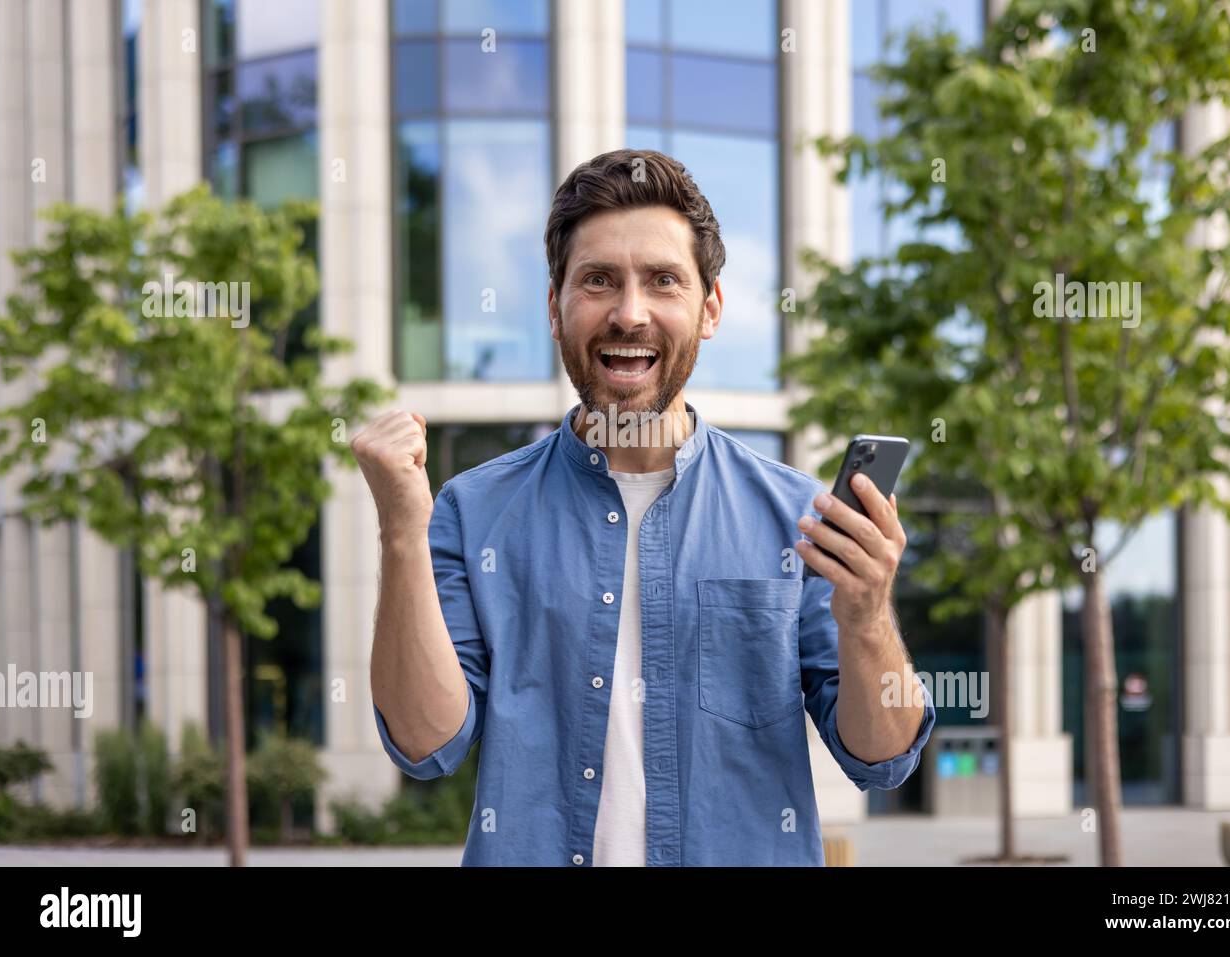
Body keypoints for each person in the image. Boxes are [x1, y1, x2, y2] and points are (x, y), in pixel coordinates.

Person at [353, 148, 936, 866]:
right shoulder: (473, 511)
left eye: (663, 280)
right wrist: (401, 531)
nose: (629, 313)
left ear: (710, 307)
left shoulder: (800, 517)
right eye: (598, 280)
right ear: (554, 306)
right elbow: (424, 743)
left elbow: (884, 759)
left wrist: (868, 614)